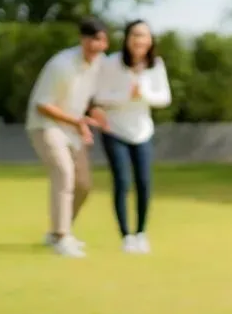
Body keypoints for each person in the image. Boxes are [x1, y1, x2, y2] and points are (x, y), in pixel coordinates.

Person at [25, 17, 110, 258]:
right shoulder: (61, 64)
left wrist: (93, 115)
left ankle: (58, 232)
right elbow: (43, 105)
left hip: (73, 127)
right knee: (64, 173)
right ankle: (62, 238)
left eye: (101, 41)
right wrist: (77, 122)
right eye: (92, 40)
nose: (97, 46)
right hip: (45, 125)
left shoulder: (100, 63)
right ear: (82, 40)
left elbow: (92, 98)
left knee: (83, 185)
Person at [92, 20, 172, 254]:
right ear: (127, 39)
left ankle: (141, 233)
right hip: (114, 129)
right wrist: (125, 95)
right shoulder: (111, 63)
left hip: (142, 131)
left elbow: (164, 97)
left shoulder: (156, 65)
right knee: (122, 182)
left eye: (144, 35)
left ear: (150, 40)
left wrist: (143, 93)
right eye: (135, 35)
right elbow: (99, 96)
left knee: (144, 182)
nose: (140, 40)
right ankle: (126, 236)